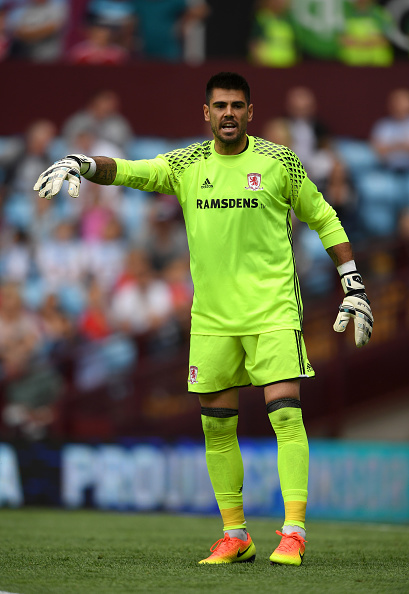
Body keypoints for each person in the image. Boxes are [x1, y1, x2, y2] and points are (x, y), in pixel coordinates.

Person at [34, 72, 374, 566]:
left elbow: (323, 216)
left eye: (237, 105)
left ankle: (294, 532)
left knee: (285, 415)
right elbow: (129, 170)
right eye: (220, 106)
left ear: (250, 112)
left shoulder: (280, 162)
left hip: (273, 311)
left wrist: (353, 283)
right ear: (207, 113)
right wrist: (82, 163)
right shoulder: (186, 164)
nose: (228, 113)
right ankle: (236, 536)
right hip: (212, 319)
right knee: (216, 429)